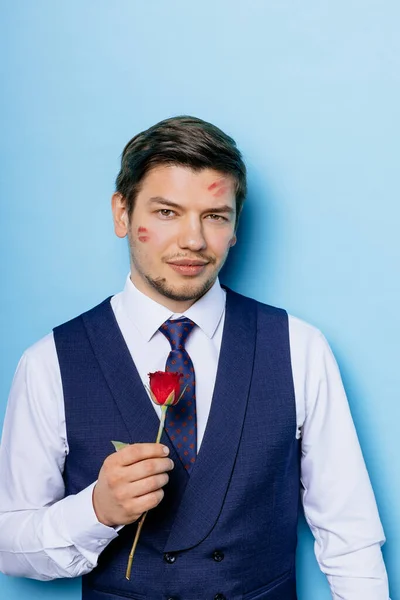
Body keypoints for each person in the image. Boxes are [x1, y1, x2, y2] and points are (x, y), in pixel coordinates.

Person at [0, 116, 390, 600]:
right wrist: (96, 511)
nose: (193, 241)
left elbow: (350, 536)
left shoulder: (300, 347)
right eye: (166, 212)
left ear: (234, 227)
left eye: (215, 215)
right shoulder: (48, 363)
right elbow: (9, 547)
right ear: (122, 213)